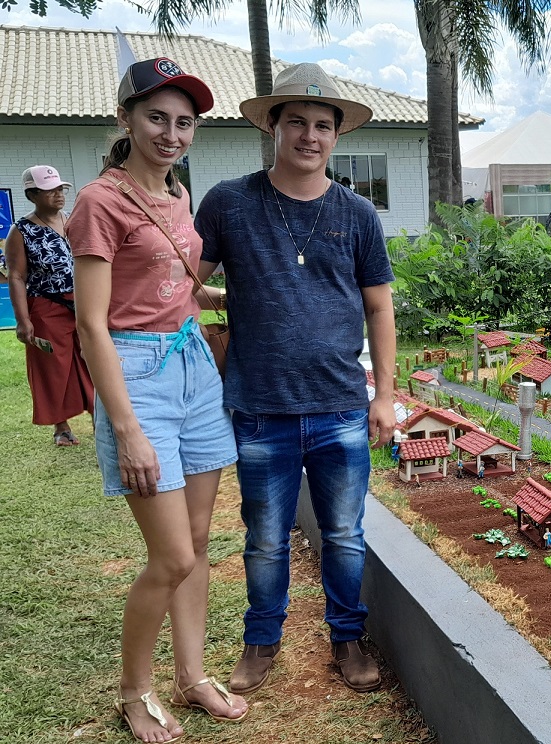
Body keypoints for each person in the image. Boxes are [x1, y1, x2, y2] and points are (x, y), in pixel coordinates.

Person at [193, 63, 396, 695]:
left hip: (340, 404)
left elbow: (380, 306)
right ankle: (261, 642)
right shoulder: (229, 202)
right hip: (260, 406)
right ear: (273, 127)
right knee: (265, 538)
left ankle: (347, 638)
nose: (310, 136)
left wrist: (385, 395)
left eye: (323, 126)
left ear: (337, 136)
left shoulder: (358, 214)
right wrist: (232, 303)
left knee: (343, 533)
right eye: (297, 123)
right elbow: (185, 283)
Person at [67, 57, 247, 743]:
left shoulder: (177, 196)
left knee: (199, 542)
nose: (172, 133)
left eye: (185, 122)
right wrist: (127, 427)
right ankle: (134, 692)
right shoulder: (99, 201)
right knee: (170, 555)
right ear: (126, 119)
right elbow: (92, 322)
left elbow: (171, 284)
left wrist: (222, 299)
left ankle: (193, 677)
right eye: (157, 118)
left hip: (195, 365)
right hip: (137, 374)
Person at [4, 165, 95, 446]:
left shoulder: (73, 221)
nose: (58, 194)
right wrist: (23, 320)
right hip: (46, 306)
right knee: (53, 366)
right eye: (50, 190)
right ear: (32, 194)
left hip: (82, 303)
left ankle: (100, 418)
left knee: (92, 359)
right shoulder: (20, 231)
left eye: (60, 189)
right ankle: (61, 426)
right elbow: (17, 277)